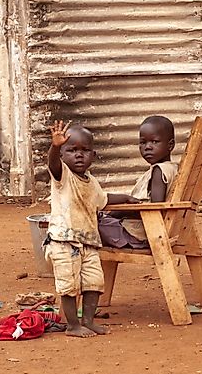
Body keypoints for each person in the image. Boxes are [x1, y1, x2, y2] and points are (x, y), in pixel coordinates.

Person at [46, 120, 140, 337]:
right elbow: (52, 164)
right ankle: (72, 325)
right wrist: (55, 146)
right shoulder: (62, 177)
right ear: (62, 155)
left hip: (89, 242)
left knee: (94, 283)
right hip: (64, 241)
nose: (79, 155)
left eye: (85, 150)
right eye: (72, 150)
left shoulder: (91, 181)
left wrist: (125, 197)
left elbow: (103, 200)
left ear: (94, 156)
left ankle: (88, 320)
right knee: (69, 286)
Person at [98, 116, 178, 248]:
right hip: (149, 231)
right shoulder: (172, 168)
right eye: (143, 142)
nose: (148, 147)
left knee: (93, 223)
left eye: (154, 141)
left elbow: (155, 208)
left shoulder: (159, 171)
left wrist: (121, 211)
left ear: (170, 145)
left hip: (141, 235)